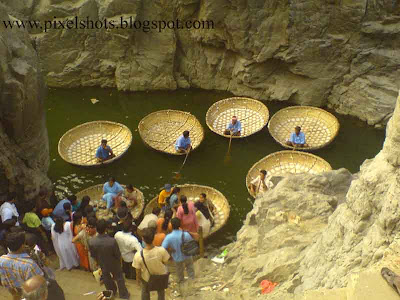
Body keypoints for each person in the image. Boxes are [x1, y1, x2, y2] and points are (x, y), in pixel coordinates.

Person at [89, 219, 130, 299]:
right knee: (119, 278)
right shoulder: (112, 241)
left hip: (102, 263)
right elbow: (117, 254)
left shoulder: (92, 241)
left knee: (106, 278)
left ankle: (112, 292)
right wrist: (119, 262)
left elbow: (93, 255)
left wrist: (97, 262)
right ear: (106, 229)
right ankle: (123, 295)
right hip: (114, 263)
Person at [0, 232, 43, 300]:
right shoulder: (29, 265)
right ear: (22, 245)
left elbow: (3, 280)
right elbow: (40, 284)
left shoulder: (1, 259)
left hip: (16, 293)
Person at [133, 228, 170, 300]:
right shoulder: (161, 250)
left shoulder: (138, 255)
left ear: (143, 239)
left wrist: (138, 281)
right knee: (161, 291)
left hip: (147, 278)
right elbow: (165, 262)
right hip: (161, 276)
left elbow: (138, 271)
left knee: (145, 292)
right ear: (153, 238)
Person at [162, 218, 198, 284]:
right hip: (187, 255)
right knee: (190, 267)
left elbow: (163, 248)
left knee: (179, 270)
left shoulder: (169, 237)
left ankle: (181, 282)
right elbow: (191, 242)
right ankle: (192, 280)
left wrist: (170, 249)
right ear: (180, 225)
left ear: (172, 226)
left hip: (177, 257)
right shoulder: (186, 234)